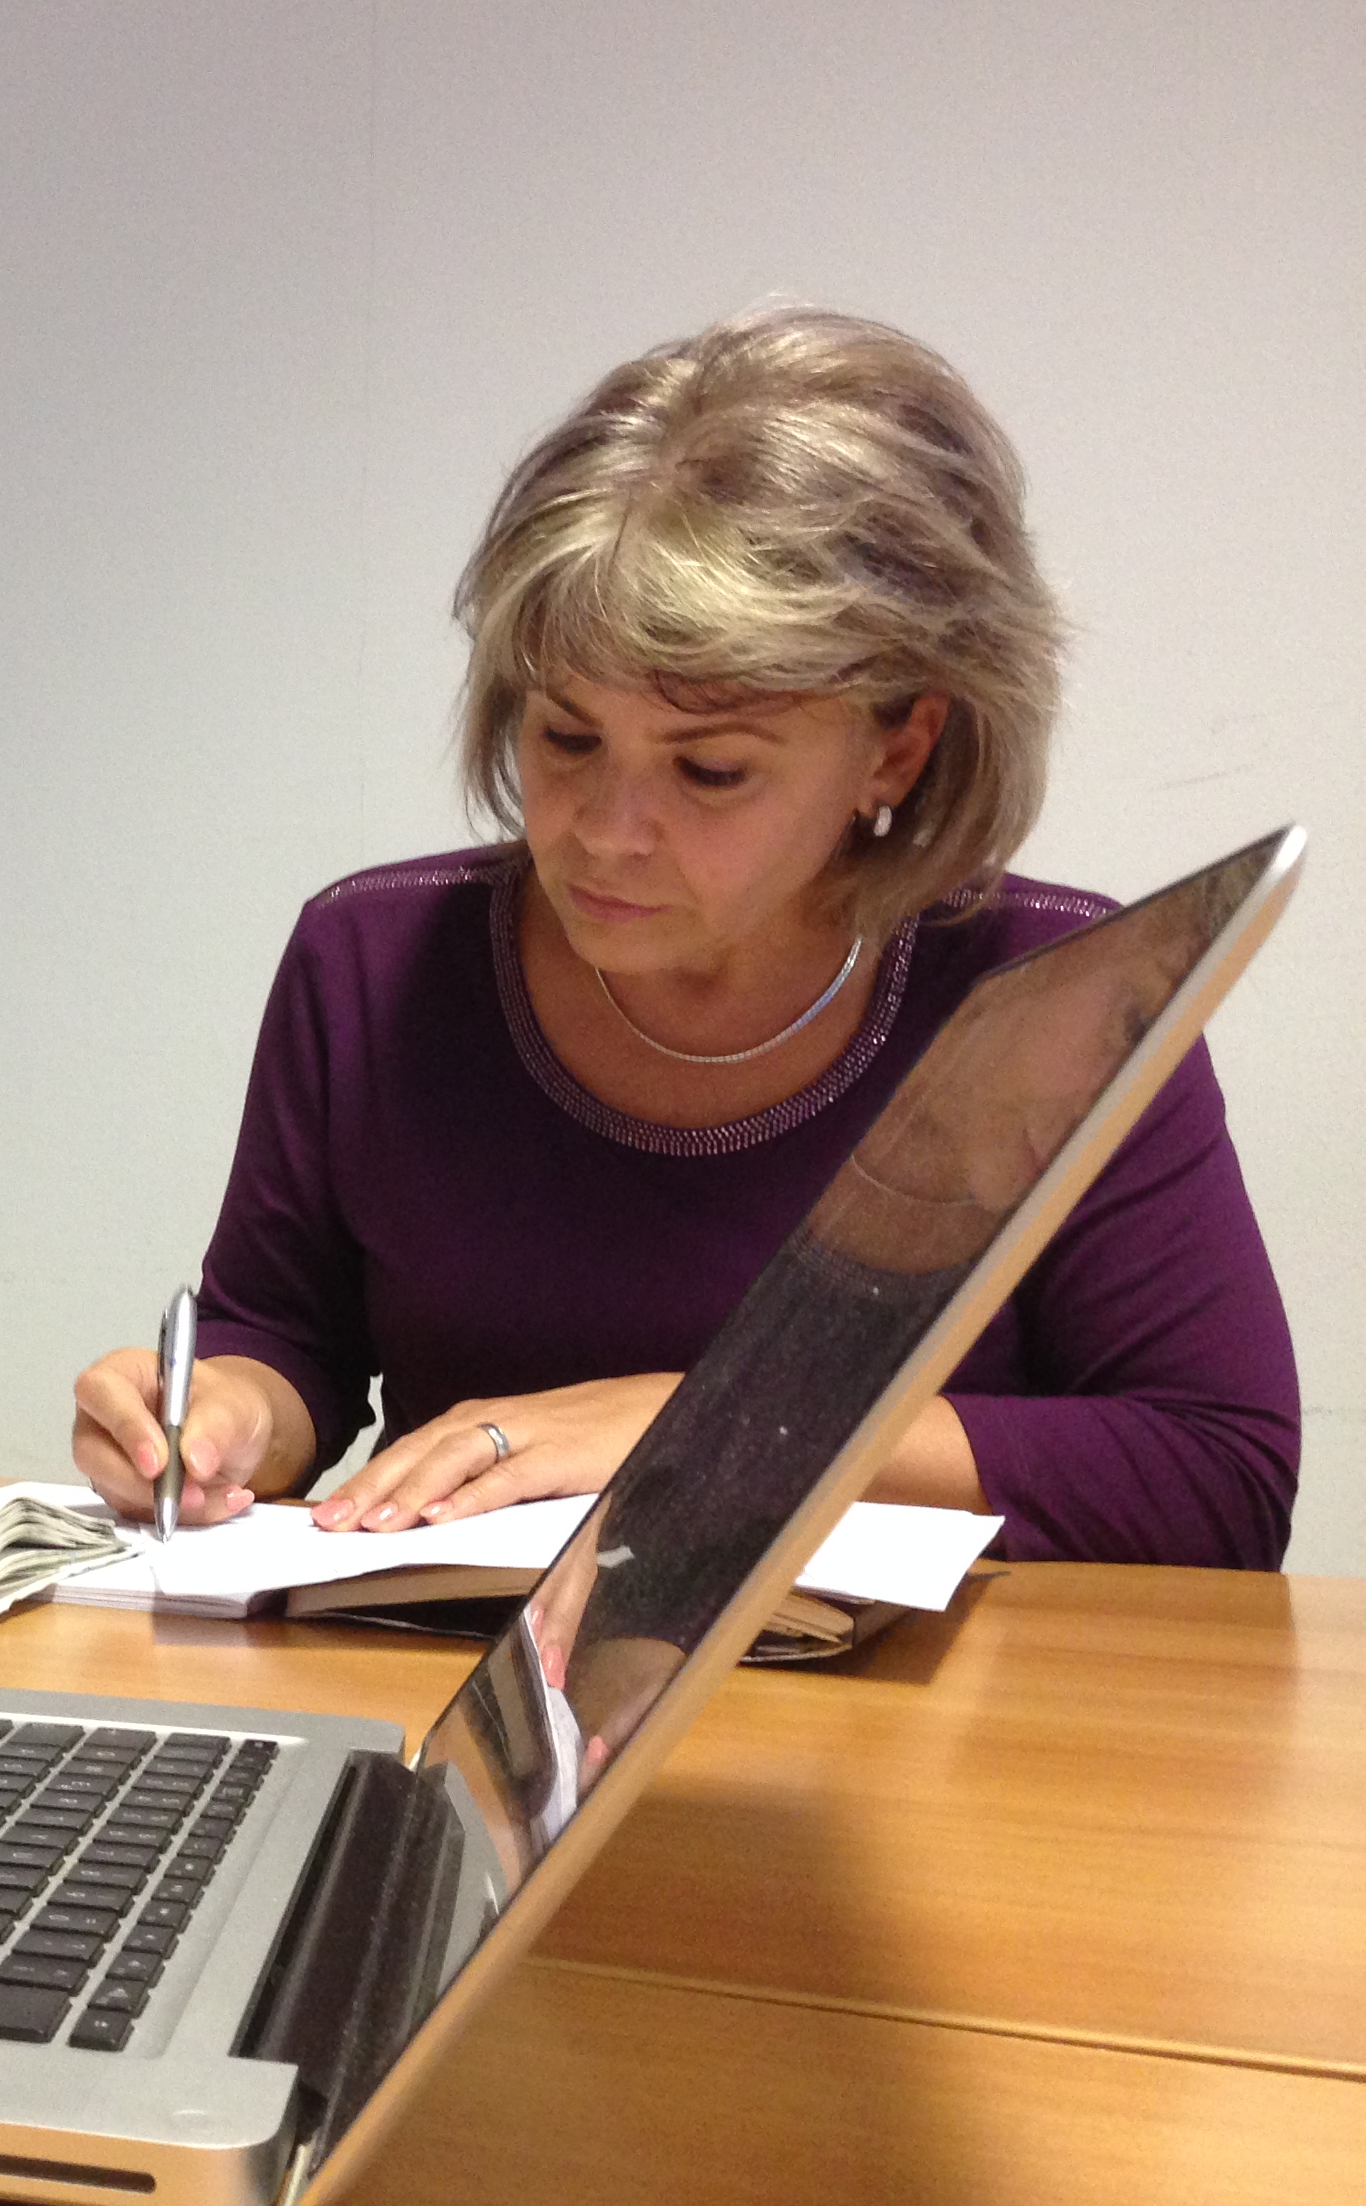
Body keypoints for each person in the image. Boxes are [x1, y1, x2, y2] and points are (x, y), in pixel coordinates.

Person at [73, 306, 1297, 1569]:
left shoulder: (1055, 997)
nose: (606, 832)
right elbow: (286, 1345)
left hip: (921, 1738)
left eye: (709, 770)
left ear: (898, 744)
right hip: (466, 1702)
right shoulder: (372, 967)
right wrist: (220, 1421)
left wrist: (714, 1426)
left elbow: (1217, 1477)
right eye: (565, 738)